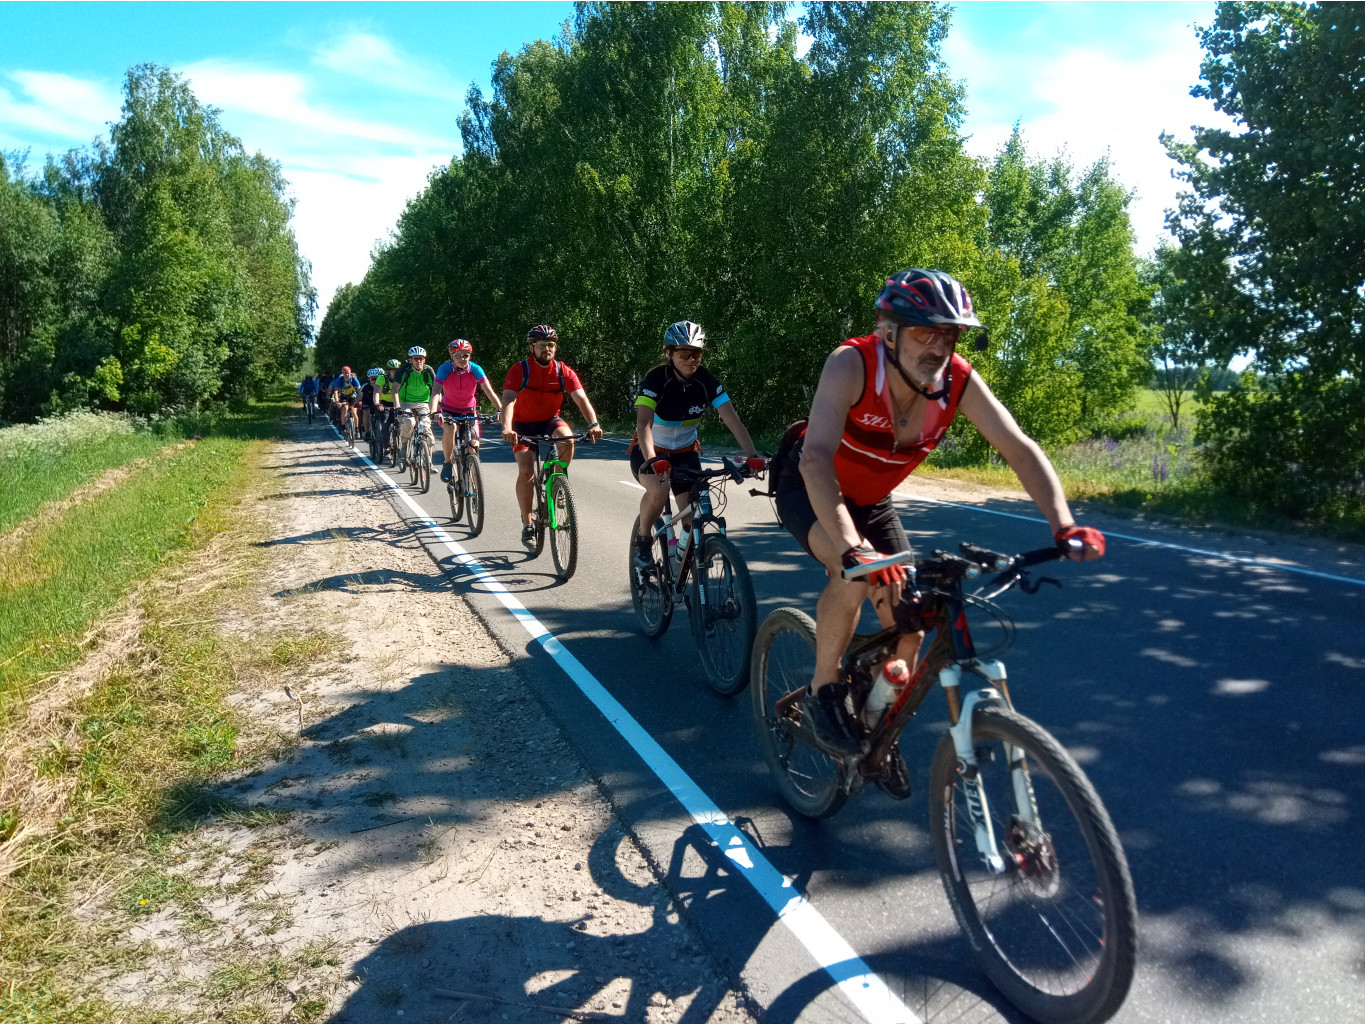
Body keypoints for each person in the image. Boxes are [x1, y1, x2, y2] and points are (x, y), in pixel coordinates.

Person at [776, 268, 1105, 797]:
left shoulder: (957, 381)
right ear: (889, 332)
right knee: (853, 573)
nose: (939, 346)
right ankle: (824, 690)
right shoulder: (852, 364)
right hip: (808, 487)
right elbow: (816, 457)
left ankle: (878, 729)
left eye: (949, 334)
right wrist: (852, 547)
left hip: (872, 501)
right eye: (925, 331)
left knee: (914, 617)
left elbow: (1018, 448)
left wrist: (1063, 524)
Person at [629, 321, 765, 569]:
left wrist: (752, 455)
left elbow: (732, 419)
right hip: (650, 451)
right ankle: (644, 538)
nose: (692, 360)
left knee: (695, 519)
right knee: (659, 489)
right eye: (684, 353)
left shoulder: (706, 380)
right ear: (669, 353)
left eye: (697, 353)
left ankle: (684, 561)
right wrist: (652, 459)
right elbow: (643, 424)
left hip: (685, 454)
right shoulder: (656, 379)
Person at [499, 324, 604, 549]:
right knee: (526, 470)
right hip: (521, 425)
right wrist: (507, 428)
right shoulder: (520, 369)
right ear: (531, 347)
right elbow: (508, 400)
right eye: (540, 344)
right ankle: (527, 524)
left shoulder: (562, 370)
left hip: (549, 420)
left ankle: (557, 481)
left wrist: (593, 423)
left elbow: (581, 399)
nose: (546, 348)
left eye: (550, 344)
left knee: (568, 438)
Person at [435, 338, 503, 482]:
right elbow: (435, 391)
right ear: (452, 356)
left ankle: (474, 482)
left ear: (470, 356)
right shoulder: (445, 368)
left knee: (473, 445)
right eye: (458, 355)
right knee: (450, 428)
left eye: (465, 355)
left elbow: (489, 391)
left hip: (469, 411)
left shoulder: (475, 369)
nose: (462, 358)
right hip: (448, 410)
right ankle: (448, 463)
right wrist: (434, 412)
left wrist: (500, 410)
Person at [395, 346, 438, 469]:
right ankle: (404, 448)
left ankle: (429, 462)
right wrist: (398, 407)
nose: (419, 361)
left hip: (423, 403)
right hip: (406, 402)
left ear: (424, 360)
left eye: (421, 358)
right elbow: (395, 390)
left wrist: (434, 410)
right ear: (411, 359)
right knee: (409, 422)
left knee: (426, 428)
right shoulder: (404, 370)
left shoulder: (428, 371)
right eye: (416, 358)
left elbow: (436, 391)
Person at [331, 366, 362, 437]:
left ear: (350, 373)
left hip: (353, 396)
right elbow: (336, 390)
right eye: (345, 373)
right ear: (342, 373)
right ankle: (343, 426)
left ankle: (357, 429)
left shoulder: (353, 379)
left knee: (354, 411)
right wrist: (337, 401)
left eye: (348, 373)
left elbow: (359, 390)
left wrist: (360, 400)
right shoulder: (340, 379)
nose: (346, 375)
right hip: (343, 396)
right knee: (345, 408)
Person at [360, 369, 383, 440]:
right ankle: (367, 433)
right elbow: (359, 396)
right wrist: (356, 402)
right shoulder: (365, 386)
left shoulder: (382, 386)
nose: (374, 381)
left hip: (379, 404)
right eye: (372, 379)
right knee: (366, 412)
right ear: (369, 379)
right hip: (367, 404)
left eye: (376, 379)